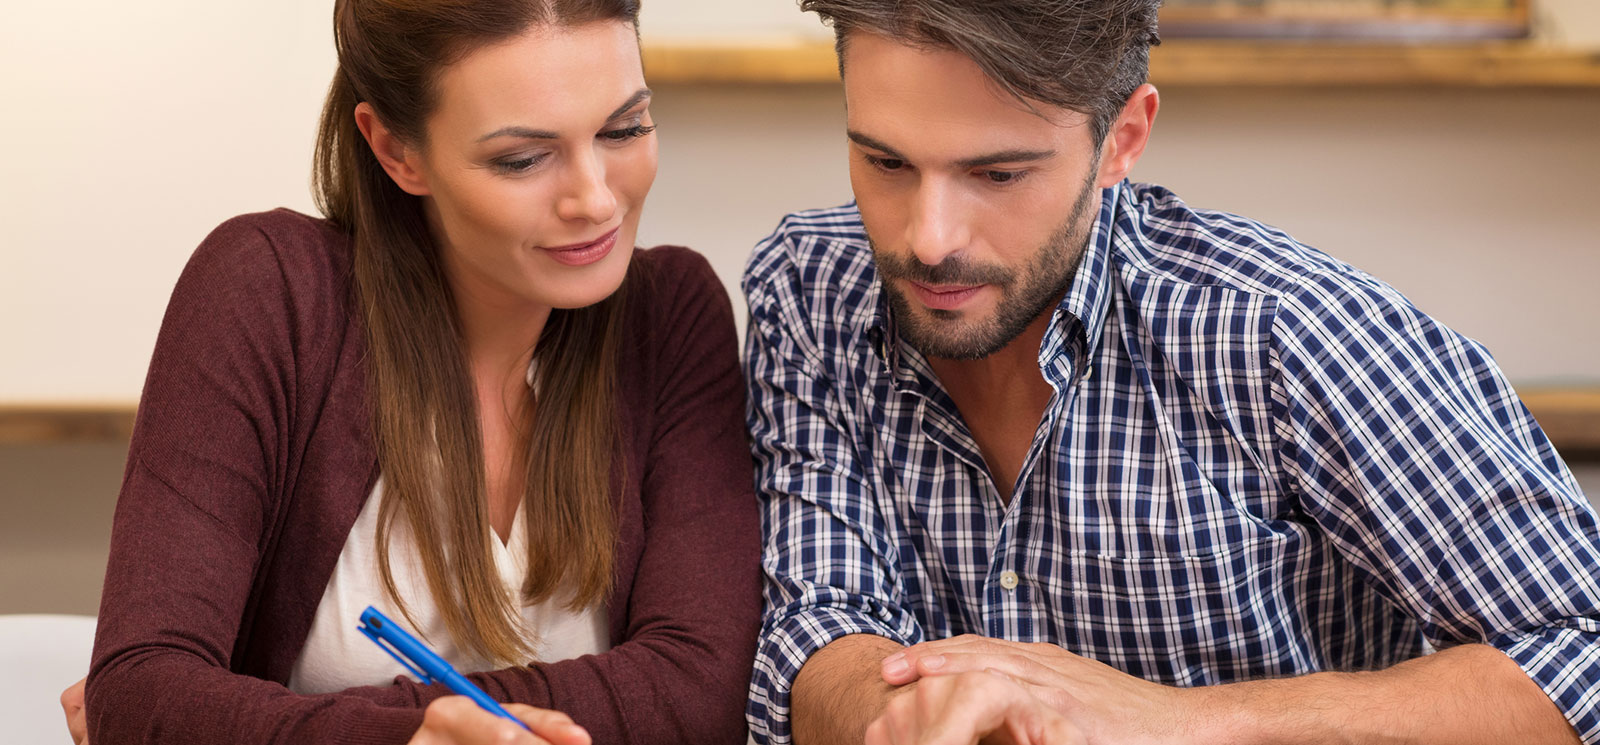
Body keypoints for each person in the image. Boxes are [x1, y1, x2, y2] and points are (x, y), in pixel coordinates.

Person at [740, 1, 1600, 743]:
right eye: (885, 162)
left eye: (996, 173)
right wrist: (921, 713)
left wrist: (1176, 720)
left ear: (1124, 139)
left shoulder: (1282, 331)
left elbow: (1581, 654)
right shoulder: (810, 289)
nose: (928, 239)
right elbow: (819, 623)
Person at [63, 0, 760, 743]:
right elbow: (143, 690)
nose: (594, 198)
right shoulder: (266, 294)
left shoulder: (672, 317)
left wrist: (260, 717)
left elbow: (702, 695)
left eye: (625, 128)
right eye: (523, 158)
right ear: (397, 151)